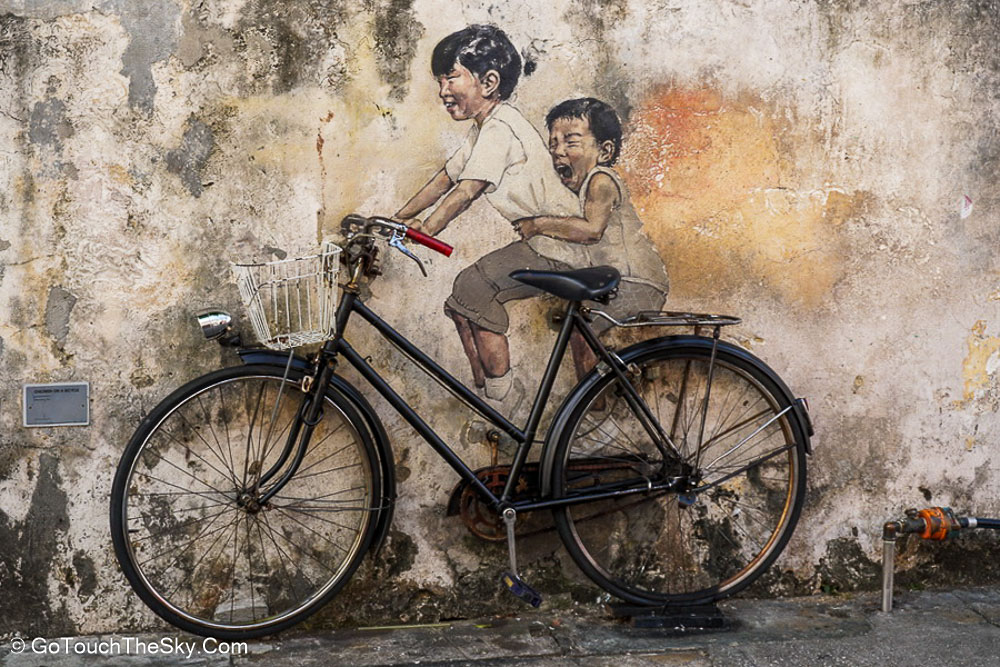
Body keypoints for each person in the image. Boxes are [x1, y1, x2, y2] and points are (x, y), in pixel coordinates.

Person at [394, 25, 584, 404]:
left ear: (489, 82)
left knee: (473, 286)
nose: (442, 90)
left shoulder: (501, 128)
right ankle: (484, 390)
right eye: (439, 79)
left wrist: (425, 230)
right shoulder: (485, 129)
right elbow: (446, 179)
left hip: (559, 245)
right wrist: (396, 218)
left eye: (451, 76)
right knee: (460, 306)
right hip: (544, 244)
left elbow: (467, 191)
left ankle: (502, 394)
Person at [513, 97, 670, 379]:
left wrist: (538, 225)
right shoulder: (583, 185)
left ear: (605, 150)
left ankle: (596, 411)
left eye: (571, 142)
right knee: (581, 331)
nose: (558, 151)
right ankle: (603, 392)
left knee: (581, 333)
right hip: (620, 280)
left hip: (637, 282)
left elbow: (591, 230)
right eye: (553, 143)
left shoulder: (601, 179)